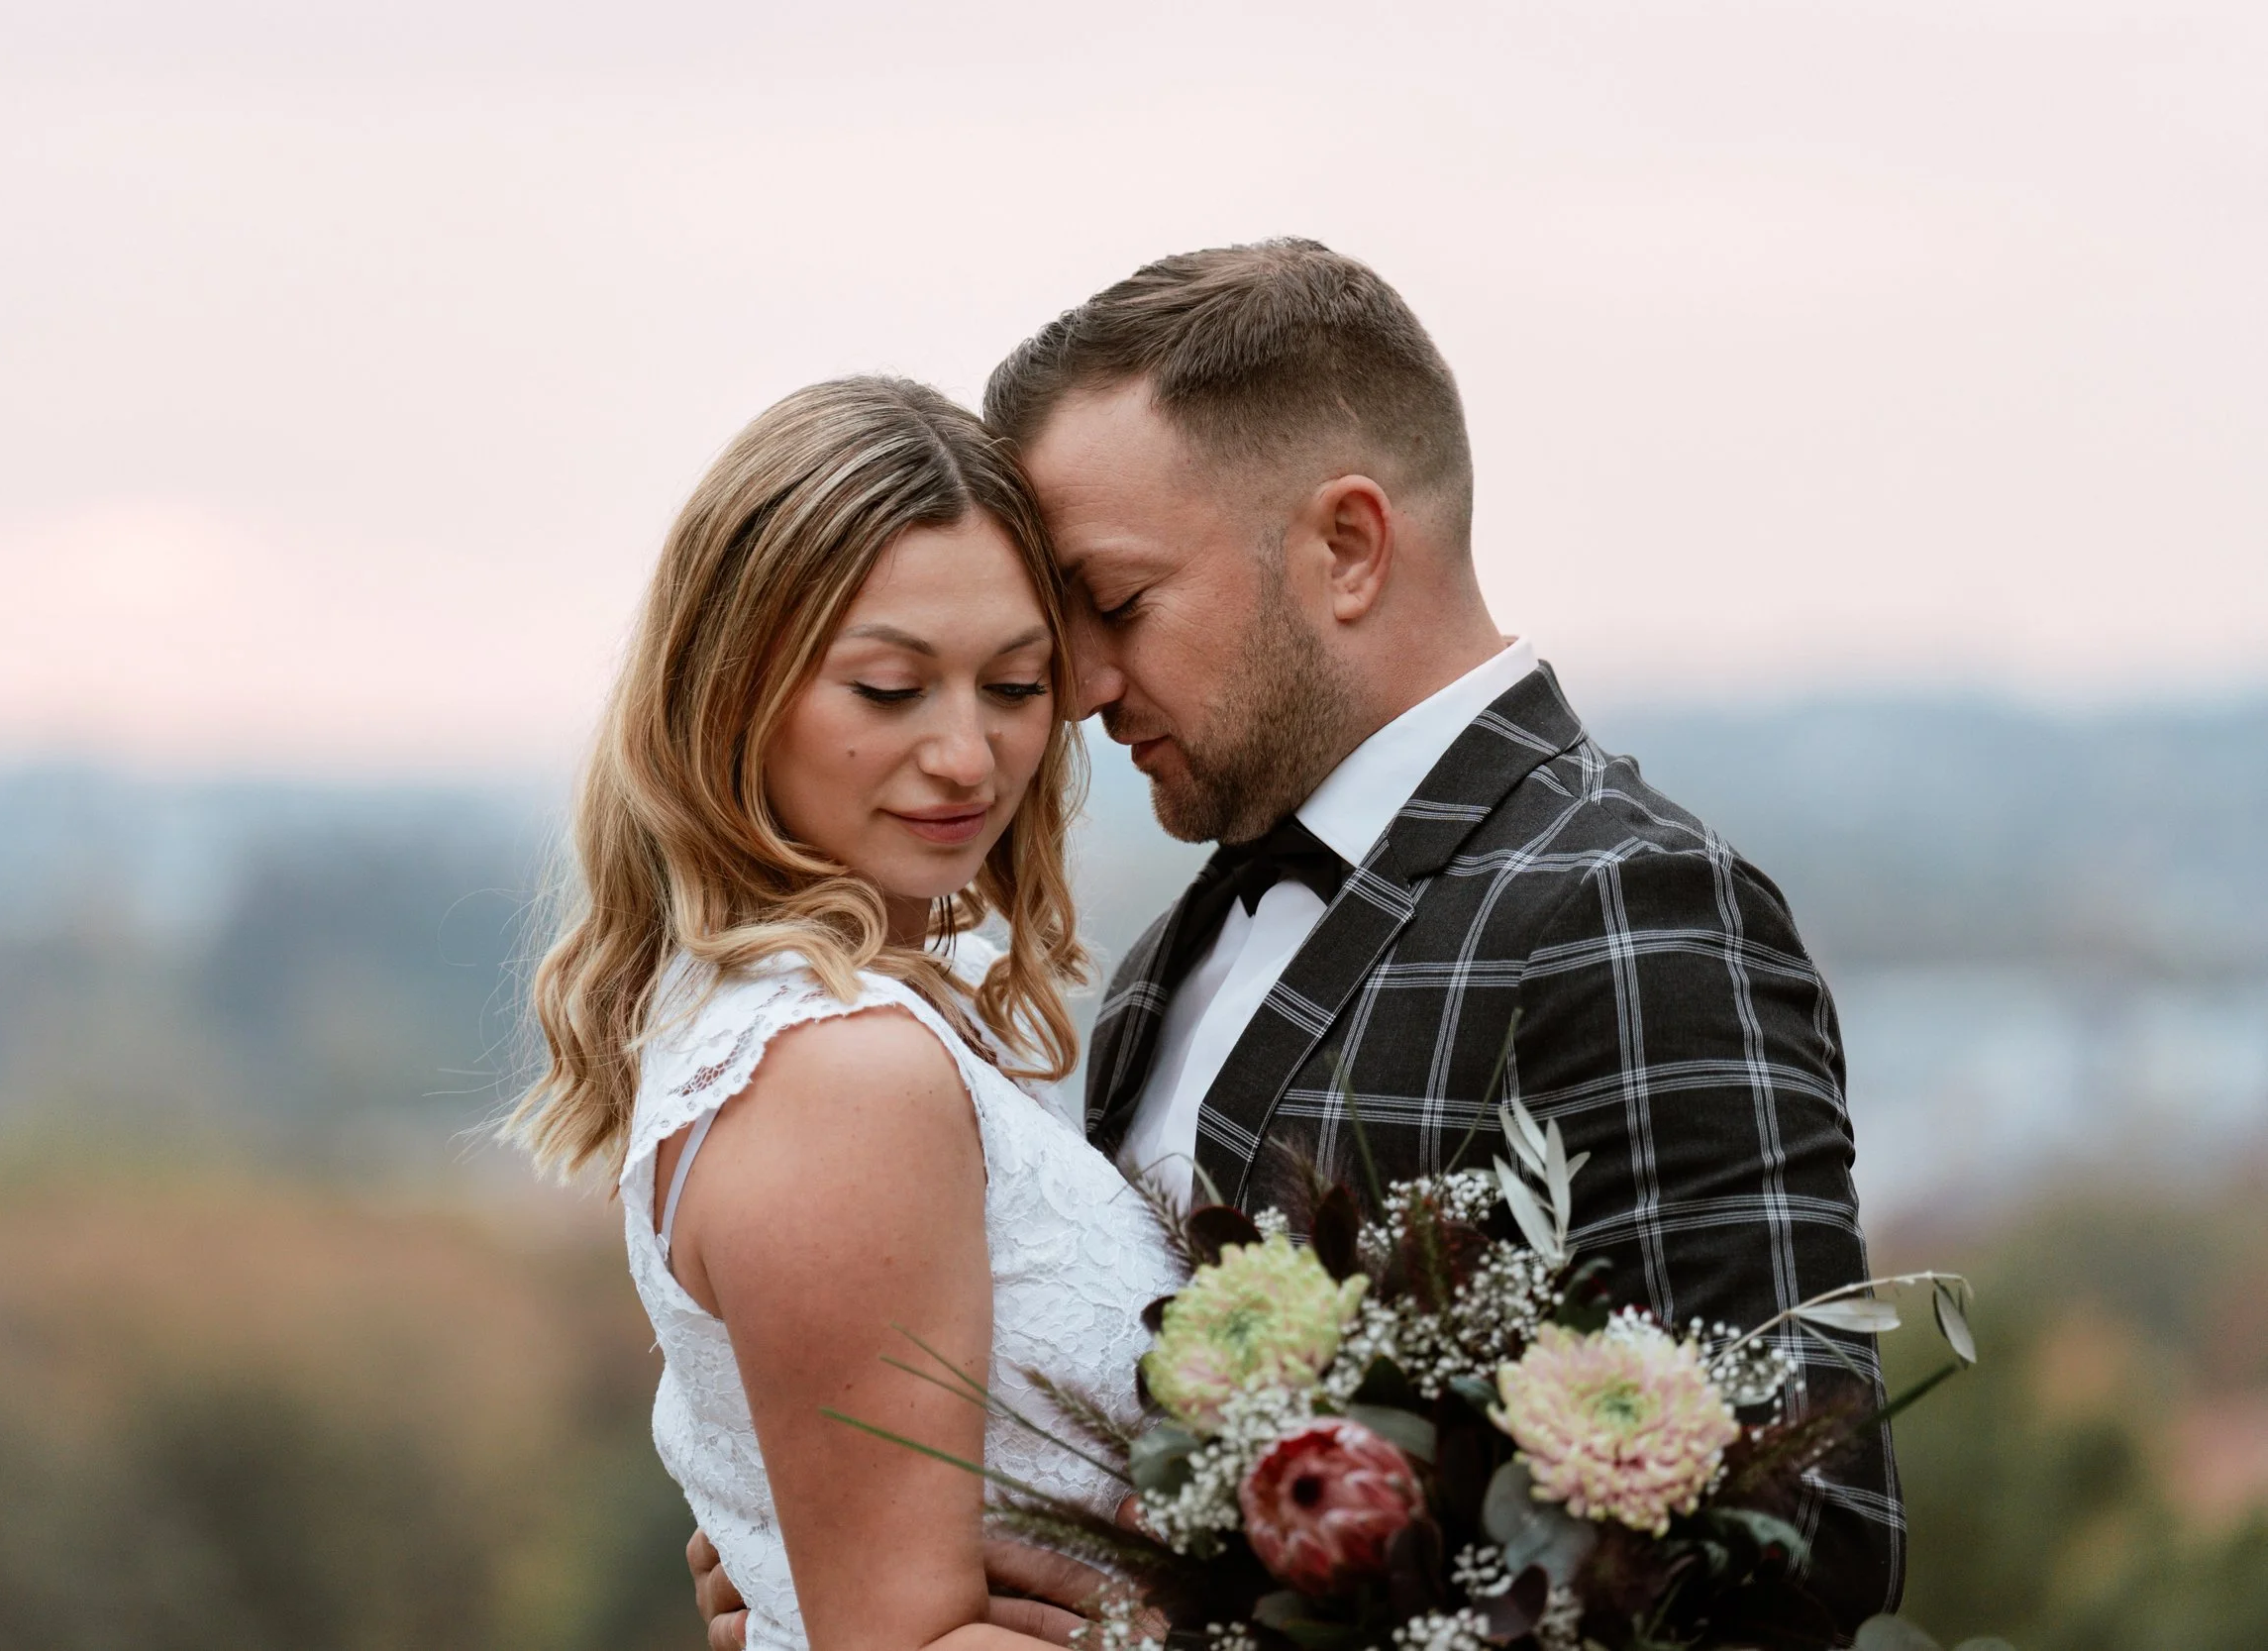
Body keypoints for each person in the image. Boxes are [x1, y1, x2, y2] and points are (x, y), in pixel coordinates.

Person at [694, 242, 1900, 1645]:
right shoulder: (1163, 966)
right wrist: (834, 1564)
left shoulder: (1621, 905)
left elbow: (1798, 1555)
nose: (1077, 687)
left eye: (1120, 602)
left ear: (1345, 546)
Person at [513, 376, 1181, 1651]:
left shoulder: (874, 1014)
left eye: (1015, 684)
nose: (967, 757)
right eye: (888, 689)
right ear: (729, 694)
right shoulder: (840, 1071)